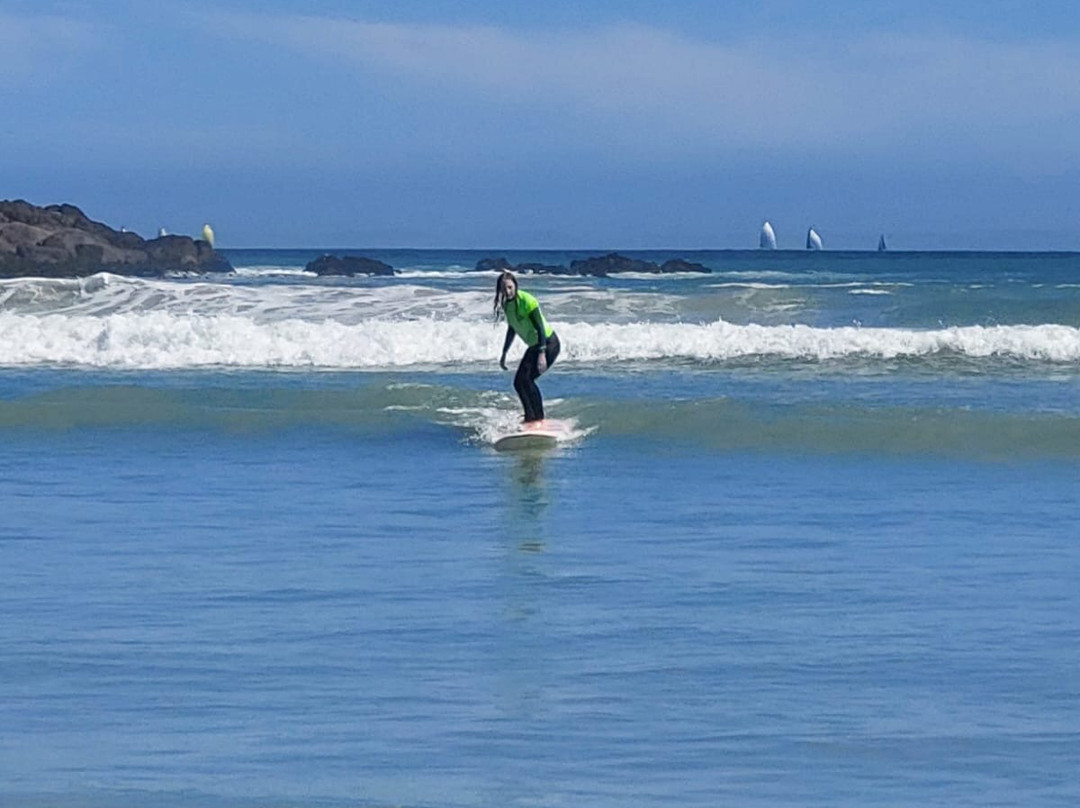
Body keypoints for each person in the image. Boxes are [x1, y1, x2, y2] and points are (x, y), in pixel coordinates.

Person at [494, 271, 561, 423]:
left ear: (516, 285)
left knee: (527, 380)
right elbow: (512, 328)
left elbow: (540, 328)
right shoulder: (506, 305)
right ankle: (530, 416)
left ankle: (539, 418)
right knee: (519, 382)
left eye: (510, 287)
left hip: (548, 344)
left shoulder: (527, 300)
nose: (508, 292)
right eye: (504, 289)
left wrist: (542, 353)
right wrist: (504, 352)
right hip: (534, 346)